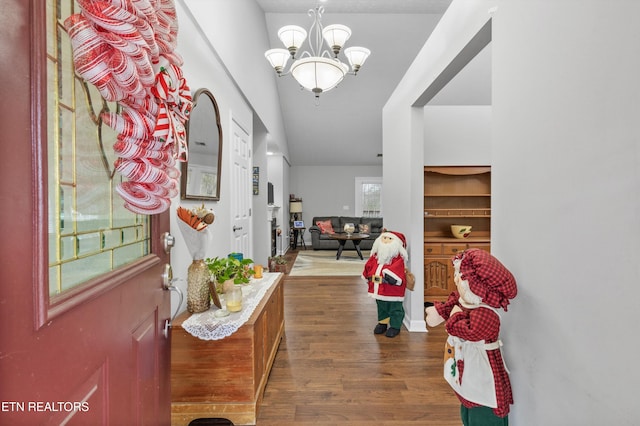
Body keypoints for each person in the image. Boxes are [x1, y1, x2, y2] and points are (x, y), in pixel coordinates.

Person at [425, 248, 517, 426]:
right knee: (467, 399)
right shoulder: (468, 302)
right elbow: (455, 303)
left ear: (477, 286)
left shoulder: (486, 313)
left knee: (482, 403)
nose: (456, 280)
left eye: (461, 278)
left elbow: (471, 331)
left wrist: (454, 316)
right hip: (466, 362)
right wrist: (442, 312)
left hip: (481, 367)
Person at [362, 231, 408, 338]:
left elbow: (397, 270)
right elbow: (368, 265)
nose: (386, 241)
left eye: (389, 239)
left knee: (394, 308)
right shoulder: (375, 257)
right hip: (378, 288)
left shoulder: (397, 259)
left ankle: (395, 326)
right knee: (381, 306)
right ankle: (382, 323)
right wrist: (366, 275)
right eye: (384, 238)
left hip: (392, 289)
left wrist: (389, 276)